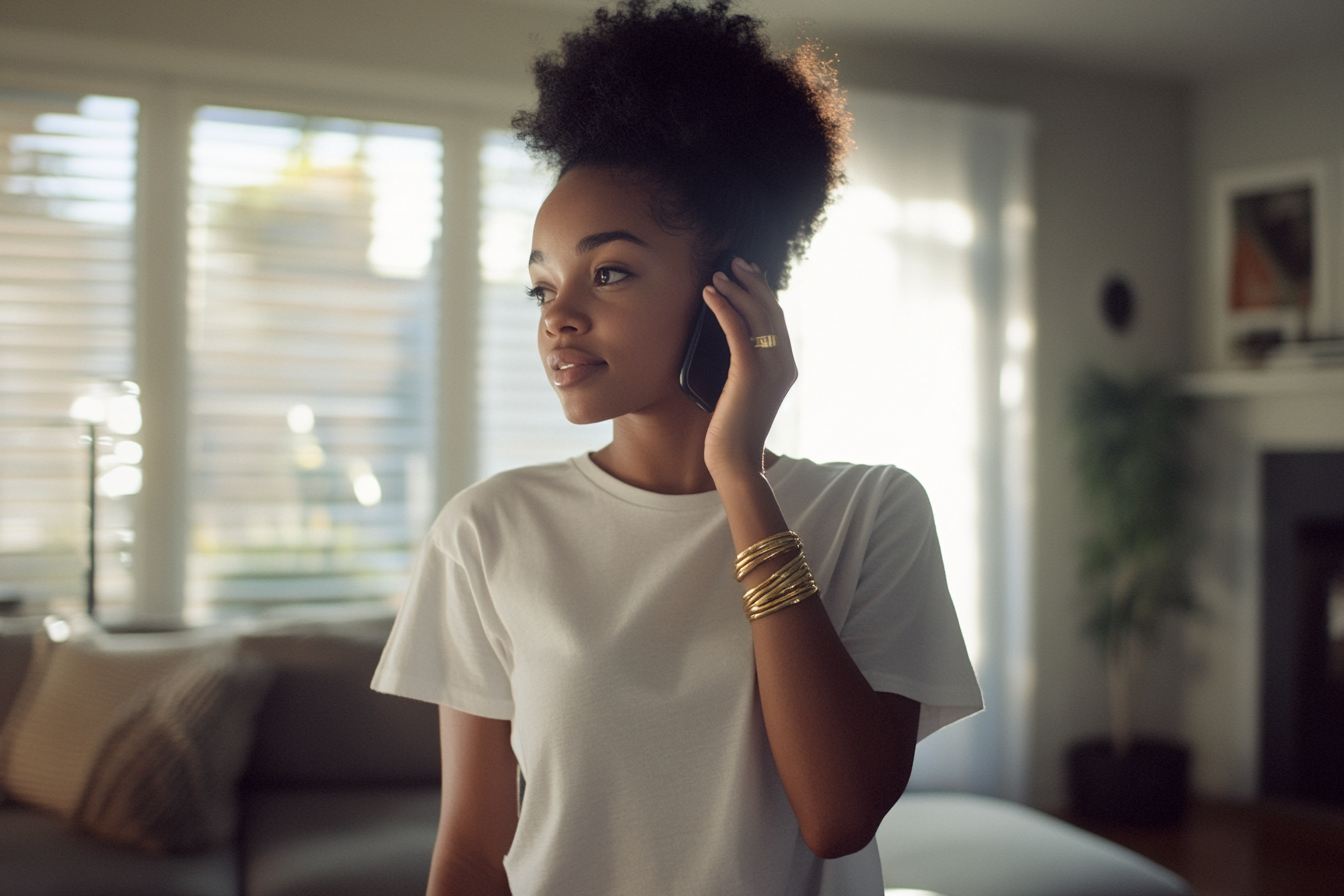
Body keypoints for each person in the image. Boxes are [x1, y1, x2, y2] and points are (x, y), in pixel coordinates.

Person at [372, 2, 982, 893]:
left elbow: (840, 814)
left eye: (608, 270)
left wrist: (739, 474)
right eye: (542, 285)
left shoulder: (874, 510)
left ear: (731, 288)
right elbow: (471, 849)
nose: (560, 317)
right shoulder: (488, 531)